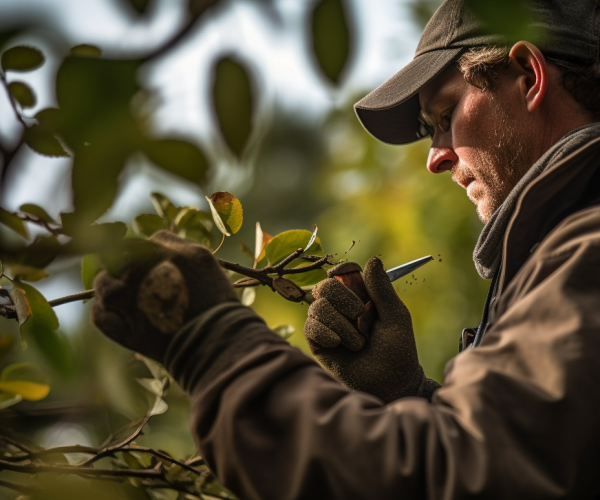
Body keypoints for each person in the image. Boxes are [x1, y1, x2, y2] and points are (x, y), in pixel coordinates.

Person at [92, 0, 600, 498]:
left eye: (445, 115)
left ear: (529, 77)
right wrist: (407, 396)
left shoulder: (587, 250)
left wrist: (215, 348)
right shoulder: (556, 251)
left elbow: (456, 475)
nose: (435, 160)